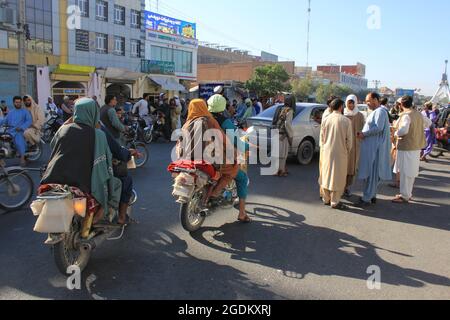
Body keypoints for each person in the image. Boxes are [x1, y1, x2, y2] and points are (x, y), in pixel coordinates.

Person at [41, 98, 121, 224]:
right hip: (83, 183)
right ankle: (102, 213)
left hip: (53, 178)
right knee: (115, 183)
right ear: (94, 113)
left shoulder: (64, 129)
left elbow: (53, 145)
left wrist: (72, 119)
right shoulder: (98, 134)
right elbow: (105, 159)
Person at [207, 94, 251, 222]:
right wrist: (246, 146)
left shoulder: (202, 119)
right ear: (223, 107)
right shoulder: (224, 122)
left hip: (200, 156)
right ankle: (242, 213)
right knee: (242, 178)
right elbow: (236, 141)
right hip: (219, 159)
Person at [392, 96, 432, 204]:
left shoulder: (406, 115)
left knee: (405, 172)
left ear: (401, 105)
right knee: (411, 172)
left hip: (406, 147)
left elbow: (403, 130)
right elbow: (429, 123)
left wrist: (396, 133)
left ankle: (404, 196)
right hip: (416, 147)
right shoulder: (418, 114)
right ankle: (407, 194)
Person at [357, 92, 392, 206]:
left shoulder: (380, 112)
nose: (367, 103)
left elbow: (378, 128)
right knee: (372, 174)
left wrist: (364, 134)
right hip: (372, 148)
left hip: (375, 149)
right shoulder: (377, 112)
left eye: (368, 101)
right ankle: (372, 196)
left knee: (372, 175)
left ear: (375, 100)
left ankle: (366, 199)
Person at [101, 124, 138, 225]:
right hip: (95, 170)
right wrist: (128, 154)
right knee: (126, 180)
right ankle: (122, 217)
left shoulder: (67, 128)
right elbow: (117, 150)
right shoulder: (98, 130)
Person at [319, 98, 353, 209]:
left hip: (327, 151)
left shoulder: (326, 119)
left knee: (326, 174)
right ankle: (335, 201)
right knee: (338, 176)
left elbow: (322, 138)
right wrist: (347, 150)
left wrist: (323, 148)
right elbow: (349, 141)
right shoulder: (346, 121)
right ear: (341, 107)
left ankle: (326, 198)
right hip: (341, 152)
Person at [0, 96, 32, 166]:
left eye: (19, 102)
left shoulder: (25, 111)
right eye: (16, 102)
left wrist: (21, 127)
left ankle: (22, 158)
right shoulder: (11, 112)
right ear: (14, 103)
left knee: (19, 141)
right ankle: (1, 159)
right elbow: (4, 120)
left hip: (19, 131)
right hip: (10, 131)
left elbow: (29, 121)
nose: (18, 104)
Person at [343, 94, 365, 197]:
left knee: (352, 169)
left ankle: (347, 187)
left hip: (355, 146)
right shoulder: (342, 114)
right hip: (344, 145)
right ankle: (340, 187)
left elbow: (363, 130)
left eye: (352, 103)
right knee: (343, 167)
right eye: (349, 103)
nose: (351, 105)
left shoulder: (360, 115)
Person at [272, 95, 295, 177]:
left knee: (277, 153)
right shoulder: (290, 110)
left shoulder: (280, 108)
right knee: (283, 154)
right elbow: (287, 124)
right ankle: (281, 171)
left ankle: (276, 170)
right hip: (283, 135)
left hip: (276, 132)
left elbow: (274, 120)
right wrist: (291, 135)